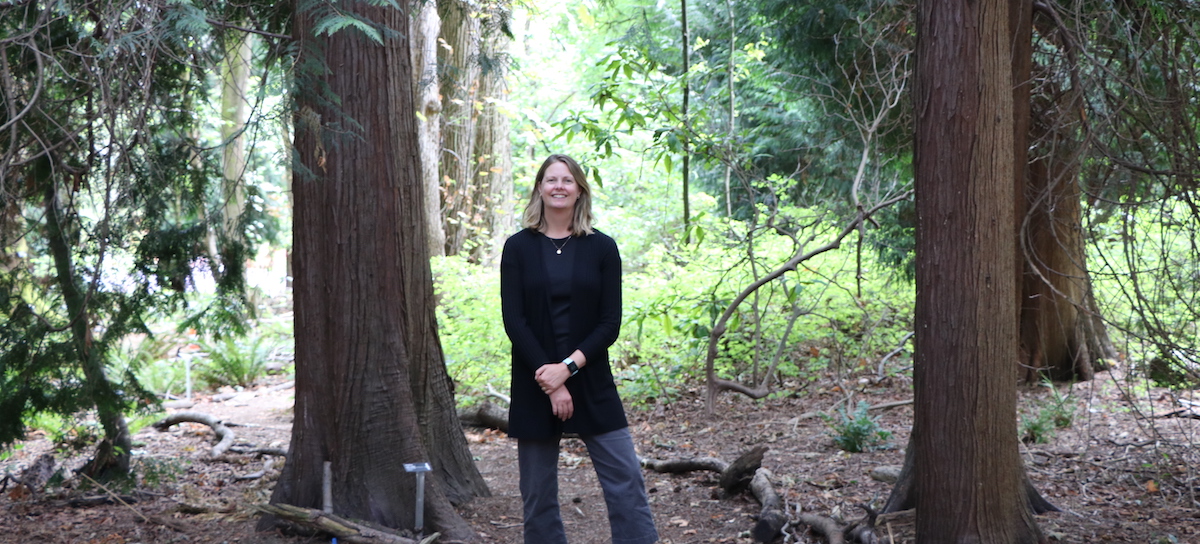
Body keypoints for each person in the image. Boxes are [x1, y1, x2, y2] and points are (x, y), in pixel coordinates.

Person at [500, 154, 658, 544]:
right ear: (539, 187)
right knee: (536, 493)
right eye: (551, 179)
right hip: (535, 379)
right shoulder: (517, 247)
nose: (558, 186)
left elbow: (610, 323)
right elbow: (514, 321)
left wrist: (567, 369)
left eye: (567, 181)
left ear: (579, 190)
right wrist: (551, 380)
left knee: (625, 478)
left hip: (591, 377)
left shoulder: (602, 248)